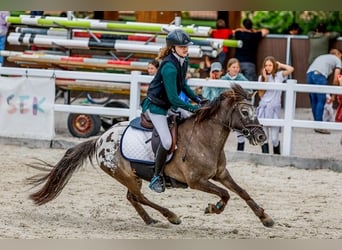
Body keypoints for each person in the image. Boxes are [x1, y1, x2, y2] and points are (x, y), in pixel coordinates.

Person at [141, 29, 203, 193]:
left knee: (190, 123)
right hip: (157, 108)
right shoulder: (169, 67)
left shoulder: (183, 60)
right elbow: (174, 98)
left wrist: (198, 99)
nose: (185, 49)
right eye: (182, 46)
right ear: (173, 47)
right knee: (167, 142)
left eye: (186, 46)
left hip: (169, 105)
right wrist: (193, 107)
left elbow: (182, 85)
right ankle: (156, 176)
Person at [257, 56, 294, 154]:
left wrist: (280, 65)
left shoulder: (279, 76)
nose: (268, 67)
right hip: (263, 108)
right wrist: (264, 79)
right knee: (264, 137)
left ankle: (276, 156)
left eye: (270, 65)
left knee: (274, 138)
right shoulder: (261, 77)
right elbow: (260, 94)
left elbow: (291, 69)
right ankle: (265, 157)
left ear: (274, 66)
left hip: (274, 109)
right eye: (266, 65)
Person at [306, 48, 342, 134]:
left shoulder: (322, 57)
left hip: (309, 74)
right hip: (319, 76)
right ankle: (319, 126)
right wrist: (333, 95)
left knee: (314, 100)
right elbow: (336, 79)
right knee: (320, 100)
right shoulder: (337, 60)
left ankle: (316, 123)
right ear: (337, 54)